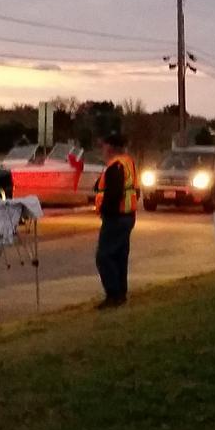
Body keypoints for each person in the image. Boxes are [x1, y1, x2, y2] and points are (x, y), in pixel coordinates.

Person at [94, 132, 138, 309]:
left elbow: (113, 193)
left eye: (104, 146)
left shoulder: (116, 167)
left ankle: (113, 295)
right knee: (119, 256)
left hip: (116, 216)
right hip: (127, 215)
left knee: (104, 256)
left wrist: (105, 211)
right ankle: (120, 294)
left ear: (110, 147)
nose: (102, 149)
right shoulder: (127, 162)